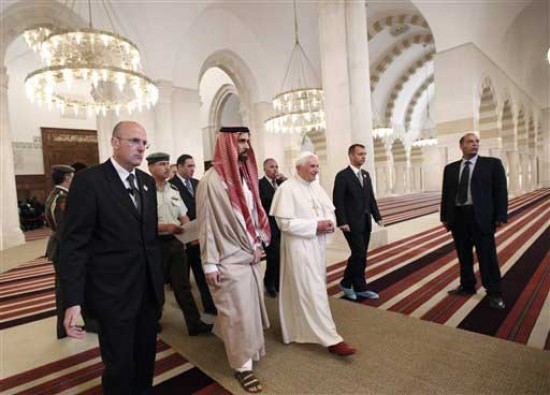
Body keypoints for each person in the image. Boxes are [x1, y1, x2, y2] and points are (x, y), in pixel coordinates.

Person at [59, 121, 165, 394]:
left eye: (144, 143)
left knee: (145, 359)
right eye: (134, 141)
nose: (141, 148)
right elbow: (74, 245)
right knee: (119, 365)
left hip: (147, 292)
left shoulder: (145, 182)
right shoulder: (89, 181)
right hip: (112, 293)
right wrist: (72, 300)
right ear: (115, 142)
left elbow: (148, 238)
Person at [196, 126, 271, 393]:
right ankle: (242, 367)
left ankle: (245, 349)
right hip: (226, 258)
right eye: (240, 141)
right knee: (237, 314)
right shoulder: (211, 181)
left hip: (249, 255)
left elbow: (252, 212)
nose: (245, 146)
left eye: (248, 141)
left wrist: (258, 241)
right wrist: (209, 263)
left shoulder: (245, 176)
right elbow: (205, 225)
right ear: (226, 143)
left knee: (248, 310)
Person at [271, 152, 356, 357]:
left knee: (306, 288)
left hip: (316, 246)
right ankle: (332, 339)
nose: (316, 170)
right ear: (298, 167)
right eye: (312, 166)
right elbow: (284, 223)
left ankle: (295, 329)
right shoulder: (286, 189)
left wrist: (328, 224)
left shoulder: (316, 186)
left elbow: (329, 212)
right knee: (312, 289)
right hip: (299, 247)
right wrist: (314, 225)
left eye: (317, 166)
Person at [147, 152, 212, 335]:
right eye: (161, 164)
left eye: (168, 163)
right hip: (154, 244)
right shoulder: (145, 191)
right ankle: (152, 320)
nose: (167, 167)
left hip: (175, 243)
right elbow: (141, 222)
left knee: (182, 285)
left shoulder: (173, 190)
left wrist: (191, 231)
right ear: (150, 167)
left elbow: (182, 214)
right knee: (155, 286)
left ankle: (194, 323)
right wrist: (166, 227)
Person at [441, 132, 507, 310]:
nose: (475, 144)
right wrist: (444, 217)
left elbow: (501, 191)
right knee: (463, 255)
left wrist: (501, 215)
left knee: (487, 256)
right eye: (470, 142)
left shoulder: (492, 164)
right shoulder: (451, 168)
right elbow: (446, 195)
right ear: (461, 145)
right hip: (458, 217)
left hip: (482, 217)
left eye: (477, 142)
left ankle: (494, 292)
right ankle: (467, 285)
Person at [333, 144, 383, 301]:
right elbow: (338, 201)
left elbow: (371, 198)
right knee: (358, 253)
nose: (363, 156)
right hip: (350, 223)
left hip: (365, 222)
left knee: (362, 256)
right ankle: (346, 283)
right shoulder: (342, 176)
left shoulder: (366, 175)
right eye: (360, 154)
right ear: (351, 156)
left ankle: (360, 287)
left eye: (364, 154)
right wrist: (341, 221)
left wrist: (377, 216)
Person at [170, 154, 217, 315]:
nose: (192, 169)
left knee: (201, 273)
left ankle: (209, 305)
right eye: (189, 166)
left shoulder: (198, 184)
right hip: (182, 237)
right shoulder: (171, 186)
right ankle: (187, 309)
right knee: (182, 279)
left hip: (198, 235)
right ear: (179, 167)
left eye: (193, 166)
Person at [44, 164, 74, 339]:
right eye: (73, 176)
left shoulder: (57, 195)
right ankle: (64, 328)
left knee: (67, 287)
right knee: (64, 290)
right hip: (64, 249)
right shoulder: (61, 198)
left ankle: (68, 326)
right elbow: (65, 229)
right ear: (67, 177)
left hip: (61, 247)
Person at [259, 158, 286, 297]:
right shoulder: (260, 184)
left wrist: (285, 184)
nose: (275, 169)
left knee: (282, 256)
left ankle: (277, 282)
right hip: (268, 226)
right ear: (265, 169)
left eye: (276, 166)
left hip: (282, 225)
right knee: (273, 256)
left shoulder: (282, 184)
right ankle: (268, 283)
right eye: (271, 167)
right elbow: (263, 203)